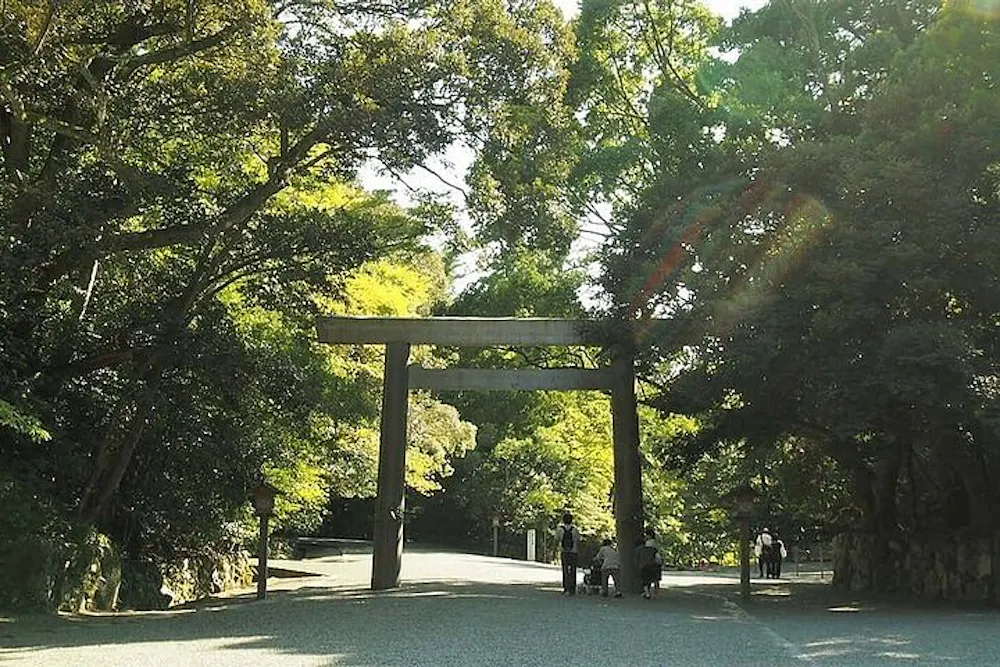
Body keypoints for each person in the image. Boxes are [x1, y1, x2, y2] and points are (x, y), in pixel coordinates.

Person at [554, 512, 580, 595]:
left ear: (563, 520)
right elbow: (578, 540)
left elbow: (556, 540)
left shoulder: (560, 529)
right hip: (574, 552)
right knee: (573, 570)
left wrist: (555, 551)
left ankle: (566, 588)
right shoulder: (575, 529)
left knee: (565, 570)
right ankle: (572, 588)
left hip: (564, 552)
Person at [637, 528, 663, 599]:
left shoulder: (648, 543)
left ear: (649, 535)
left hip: (648, 563)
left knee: (646, 579)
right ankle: (655, 594)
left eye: (646, 535)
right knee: (656, 580)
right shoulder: (656, 543)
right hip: (656, 563)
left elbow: (647, 553)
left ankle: (647, 593)